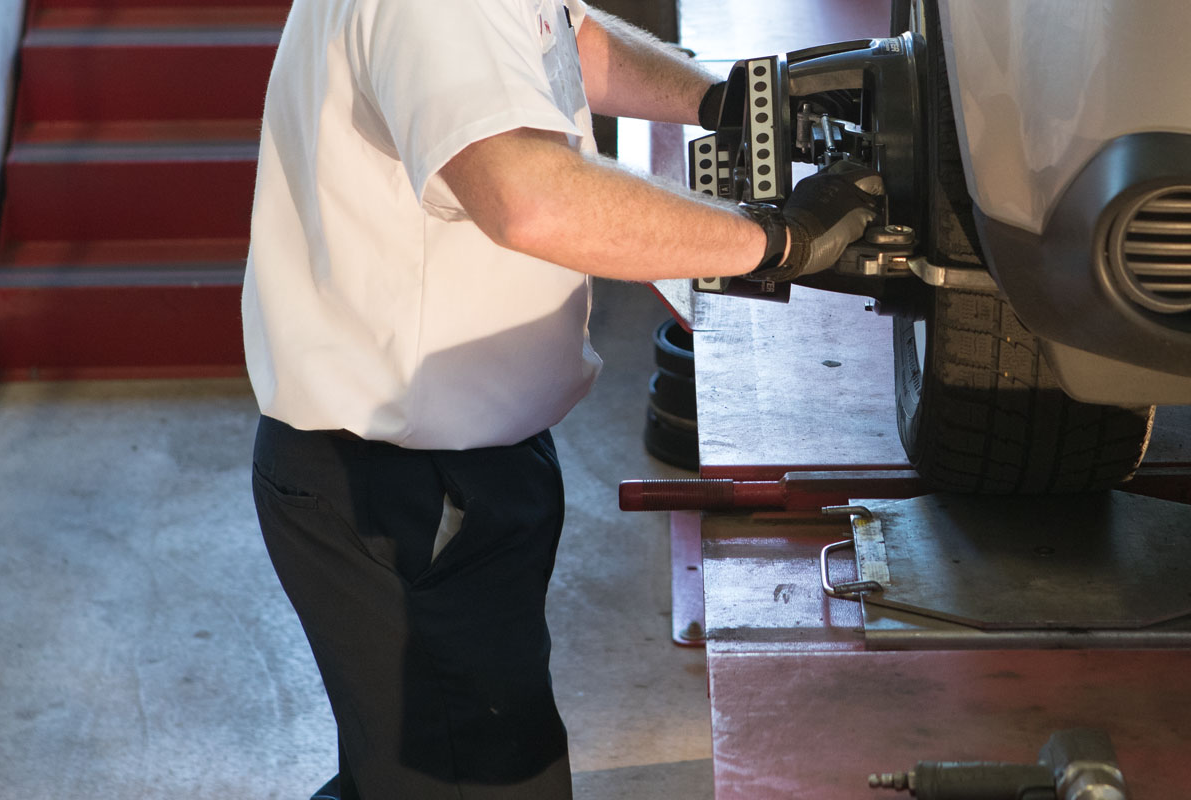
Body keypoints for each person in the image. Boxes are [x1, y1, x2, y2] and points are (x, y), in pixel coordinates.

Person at [241, 0, 882, 797]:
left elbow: (563, 38)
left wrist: (718, 101)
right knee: (474, 775)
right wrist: (773, 241)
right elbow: (530, 198)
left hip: (453, 464)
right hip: (402, 488)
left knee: (418, 765)